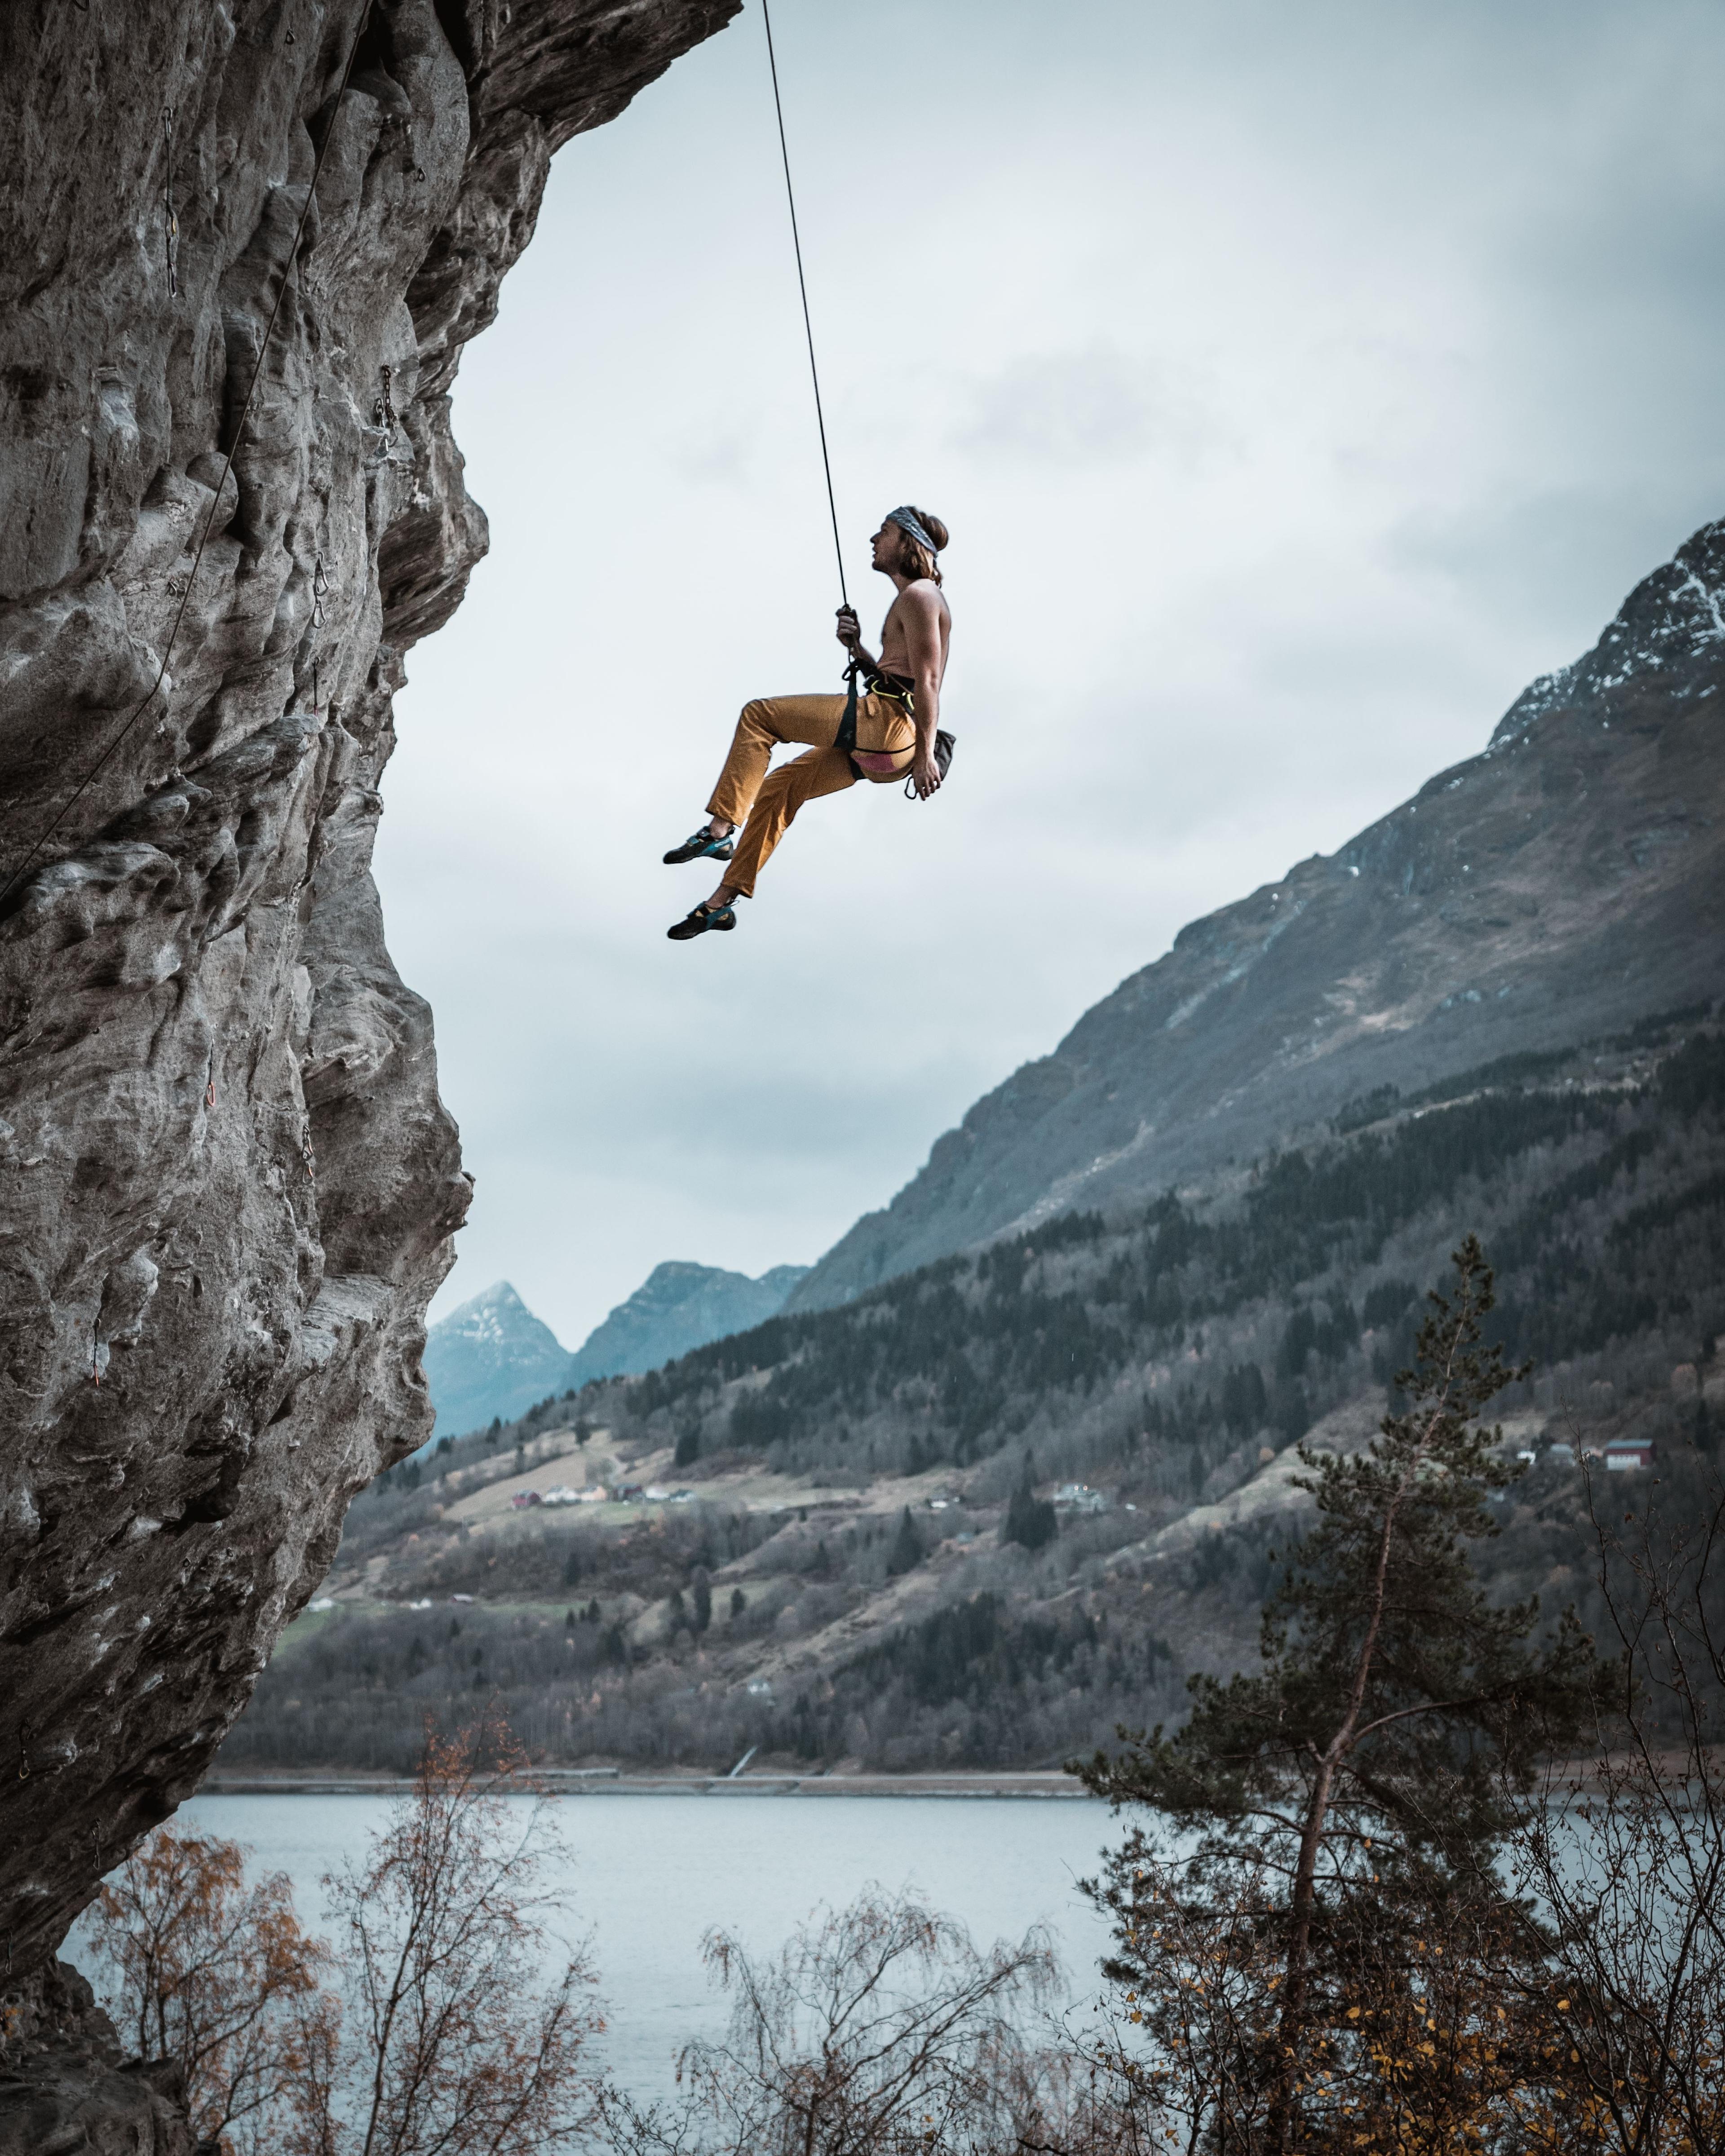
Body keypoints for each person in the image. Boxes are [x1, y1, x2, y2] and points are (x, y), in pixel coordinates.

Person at [661, 506, 951, 941]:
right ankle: (719, 906)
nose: (874, 539)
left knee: (759, 716)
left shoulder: (921, 595)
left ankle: (720, 830)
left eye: (884, 531)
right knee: (779, 788)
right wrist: (857, 649)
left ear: (907, 542)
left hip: (890, 728)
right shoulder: (914, 598)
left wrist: (926, 755)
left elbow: (928, 682)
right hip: (885, 749)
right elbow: (902, 677)